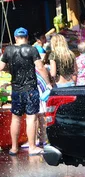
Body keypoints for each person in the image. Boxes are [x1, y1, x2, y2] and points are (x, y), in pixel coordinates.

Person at [0, 27, 51, 156]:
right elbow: (40, 67)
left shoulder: (8, 50)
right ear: (27, 38)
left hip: (16, 90)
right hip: (30, 89)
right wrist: (48, 83)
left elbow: (0, 67)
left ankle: (14, 148)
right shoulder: (32, 49)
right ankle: (32, 147)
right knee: (31, 118)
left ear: (16, 37)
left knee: (16, 118)